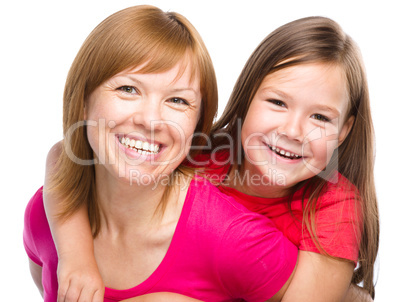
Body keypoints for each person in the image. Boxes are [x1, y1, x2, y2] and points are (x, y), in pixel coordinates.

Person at [35, 13, 378, 302]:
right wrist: (76, 258)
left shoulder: (336, 206)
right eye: (277, 102)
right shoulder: (202, 152)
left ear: (344, 131)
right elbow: (65, 157)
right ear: (246, 100)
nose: (293, 130)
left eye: (320, 117)